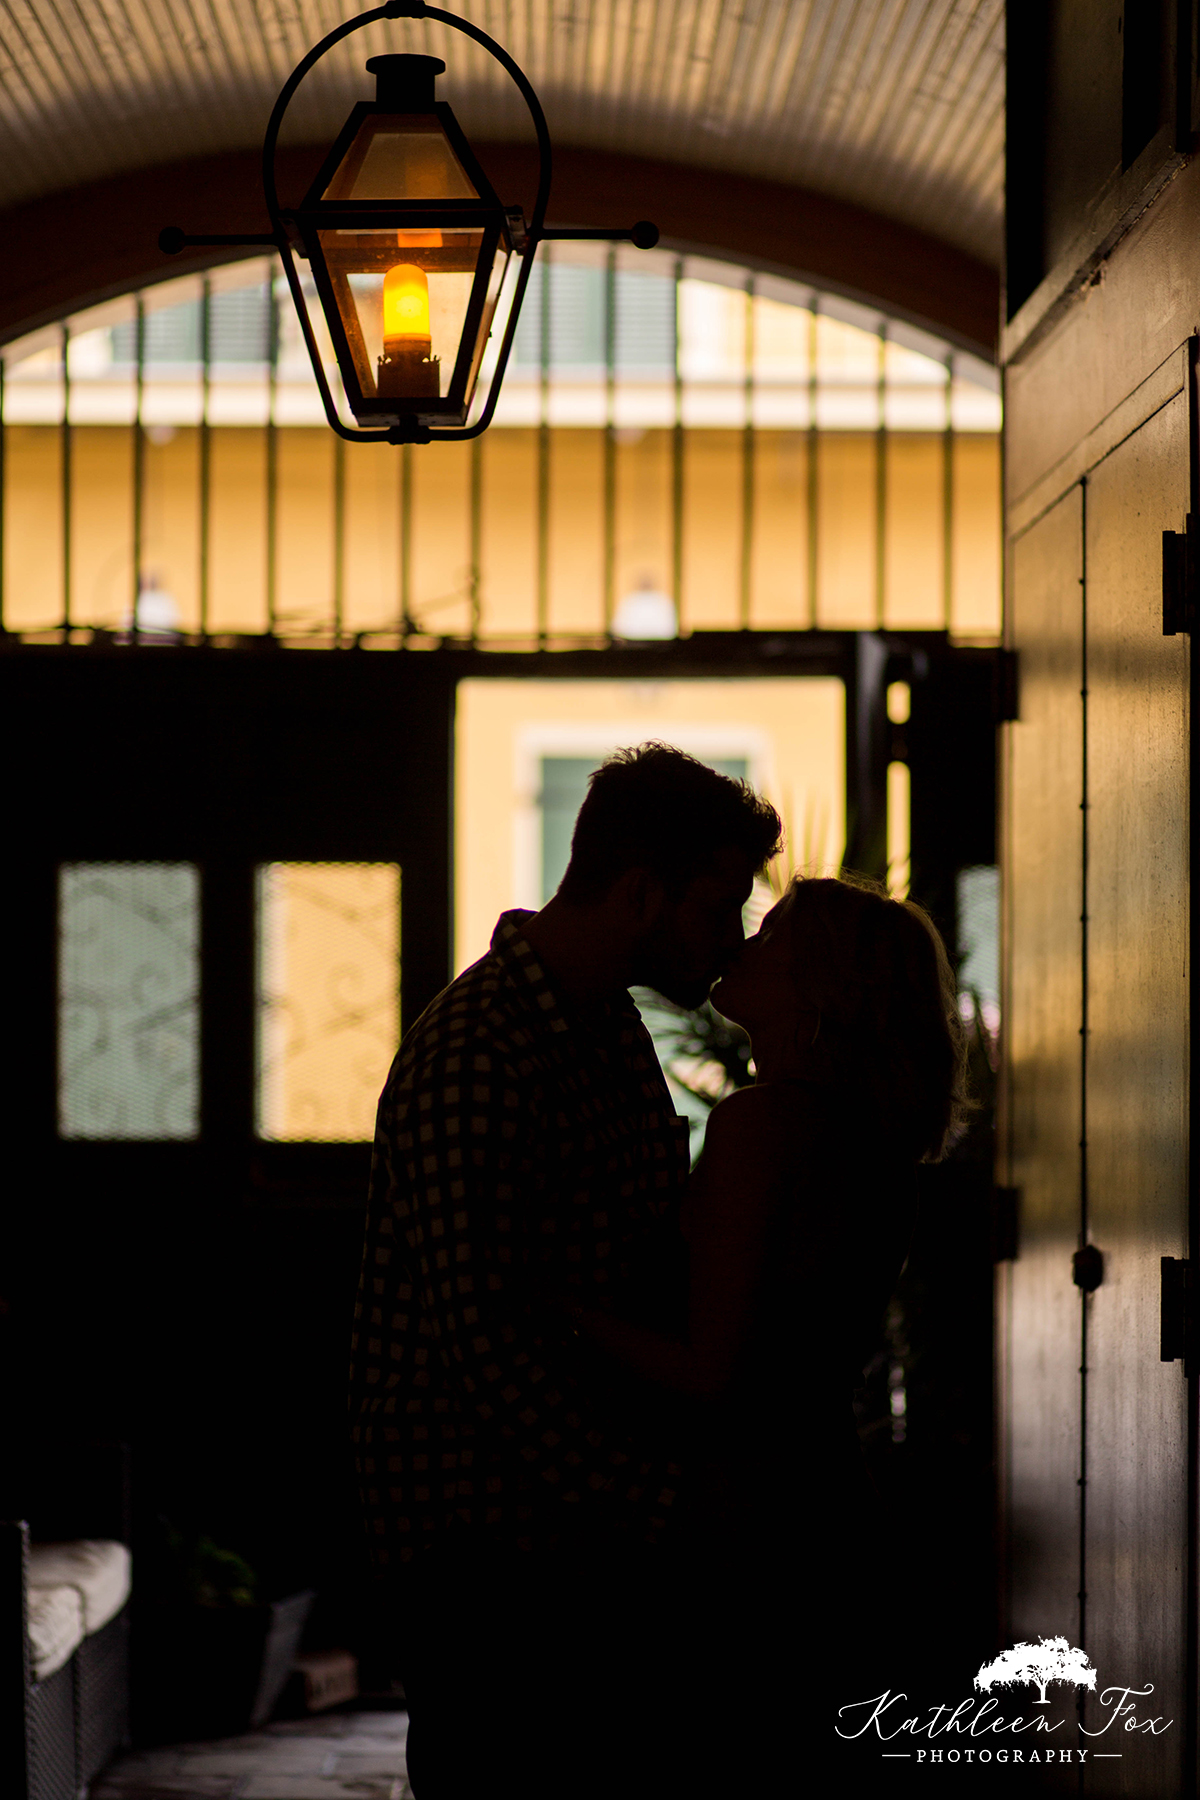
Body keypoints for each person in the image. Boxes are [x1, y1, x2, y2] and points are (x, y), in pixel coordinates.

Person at [348, 742, 782, 1799]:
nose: (731, 944)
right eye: (718, 906)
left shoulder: (600, 1028)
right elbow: (486, 1345)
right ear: (641, 893)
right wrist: (660, 1500)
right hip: (483, 1548)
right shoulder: (481, 1050)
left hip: (573, 1535)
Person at [559, 872, 969, 1779]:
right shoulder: (876, 1142)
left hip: (744, 1523)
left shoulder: (765, 1127)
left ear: (825, 985)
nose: (742, 943)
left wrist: (558, 1313)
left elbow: (711, 1372)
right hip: (823, 1501)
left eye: (773, 934)